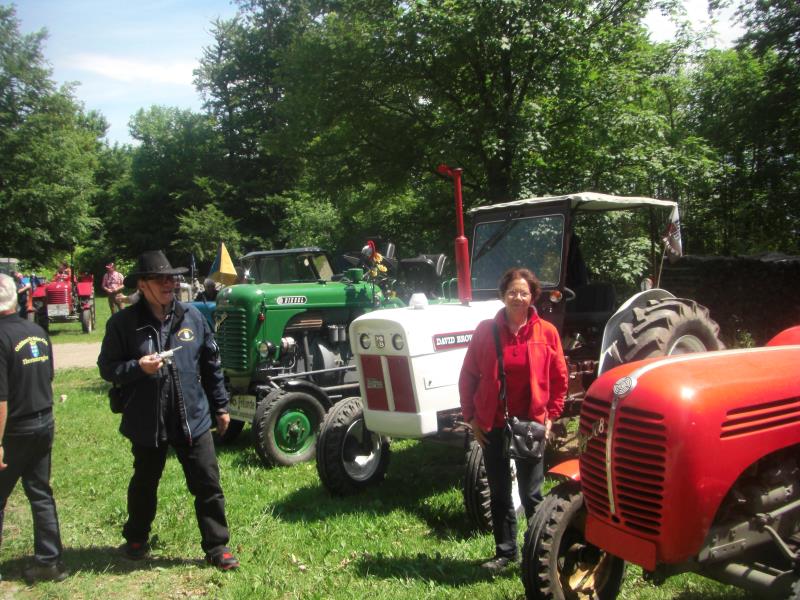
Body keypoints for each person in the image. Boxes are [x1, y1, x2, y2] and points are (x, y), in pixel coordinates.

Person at [97, 250, 239, 570]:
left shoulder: (192, 316)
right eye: (160, 279)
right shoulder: (123, 323)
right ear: (142, 284)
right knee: (144, 483)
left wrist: (220, 406)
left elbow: (211, 364)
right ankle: (136, 538)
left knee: (208, 483)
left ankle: (217, 547)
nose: (169, 284)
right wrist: (137, 367)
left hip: (192, 417)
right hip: (147, 419)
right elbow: (107, 367)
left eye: (172, 278)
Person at [459, 267, 568, 573]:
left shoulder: (547, 332)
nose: (517, 297)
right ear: (503, 296)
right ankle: (506, 553)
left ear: (533, 296)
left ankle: (540, 554)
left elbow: (560, 378)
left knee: (531, 494)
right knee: (499, 492)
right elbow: (468, 376)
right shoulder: (485, 331)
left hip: (530, 425)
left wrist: (551, 416)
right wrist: (471, 418)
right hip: (492, 423)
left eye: (523, 292)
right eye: (512, 292)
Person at [0, 274, 68, 584]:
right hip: (43, 421)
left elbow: (0, 399)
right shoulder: (37, 331)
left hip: (14, 428)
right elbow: (48, 376)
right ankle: (49, 562)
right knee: (40, 494)